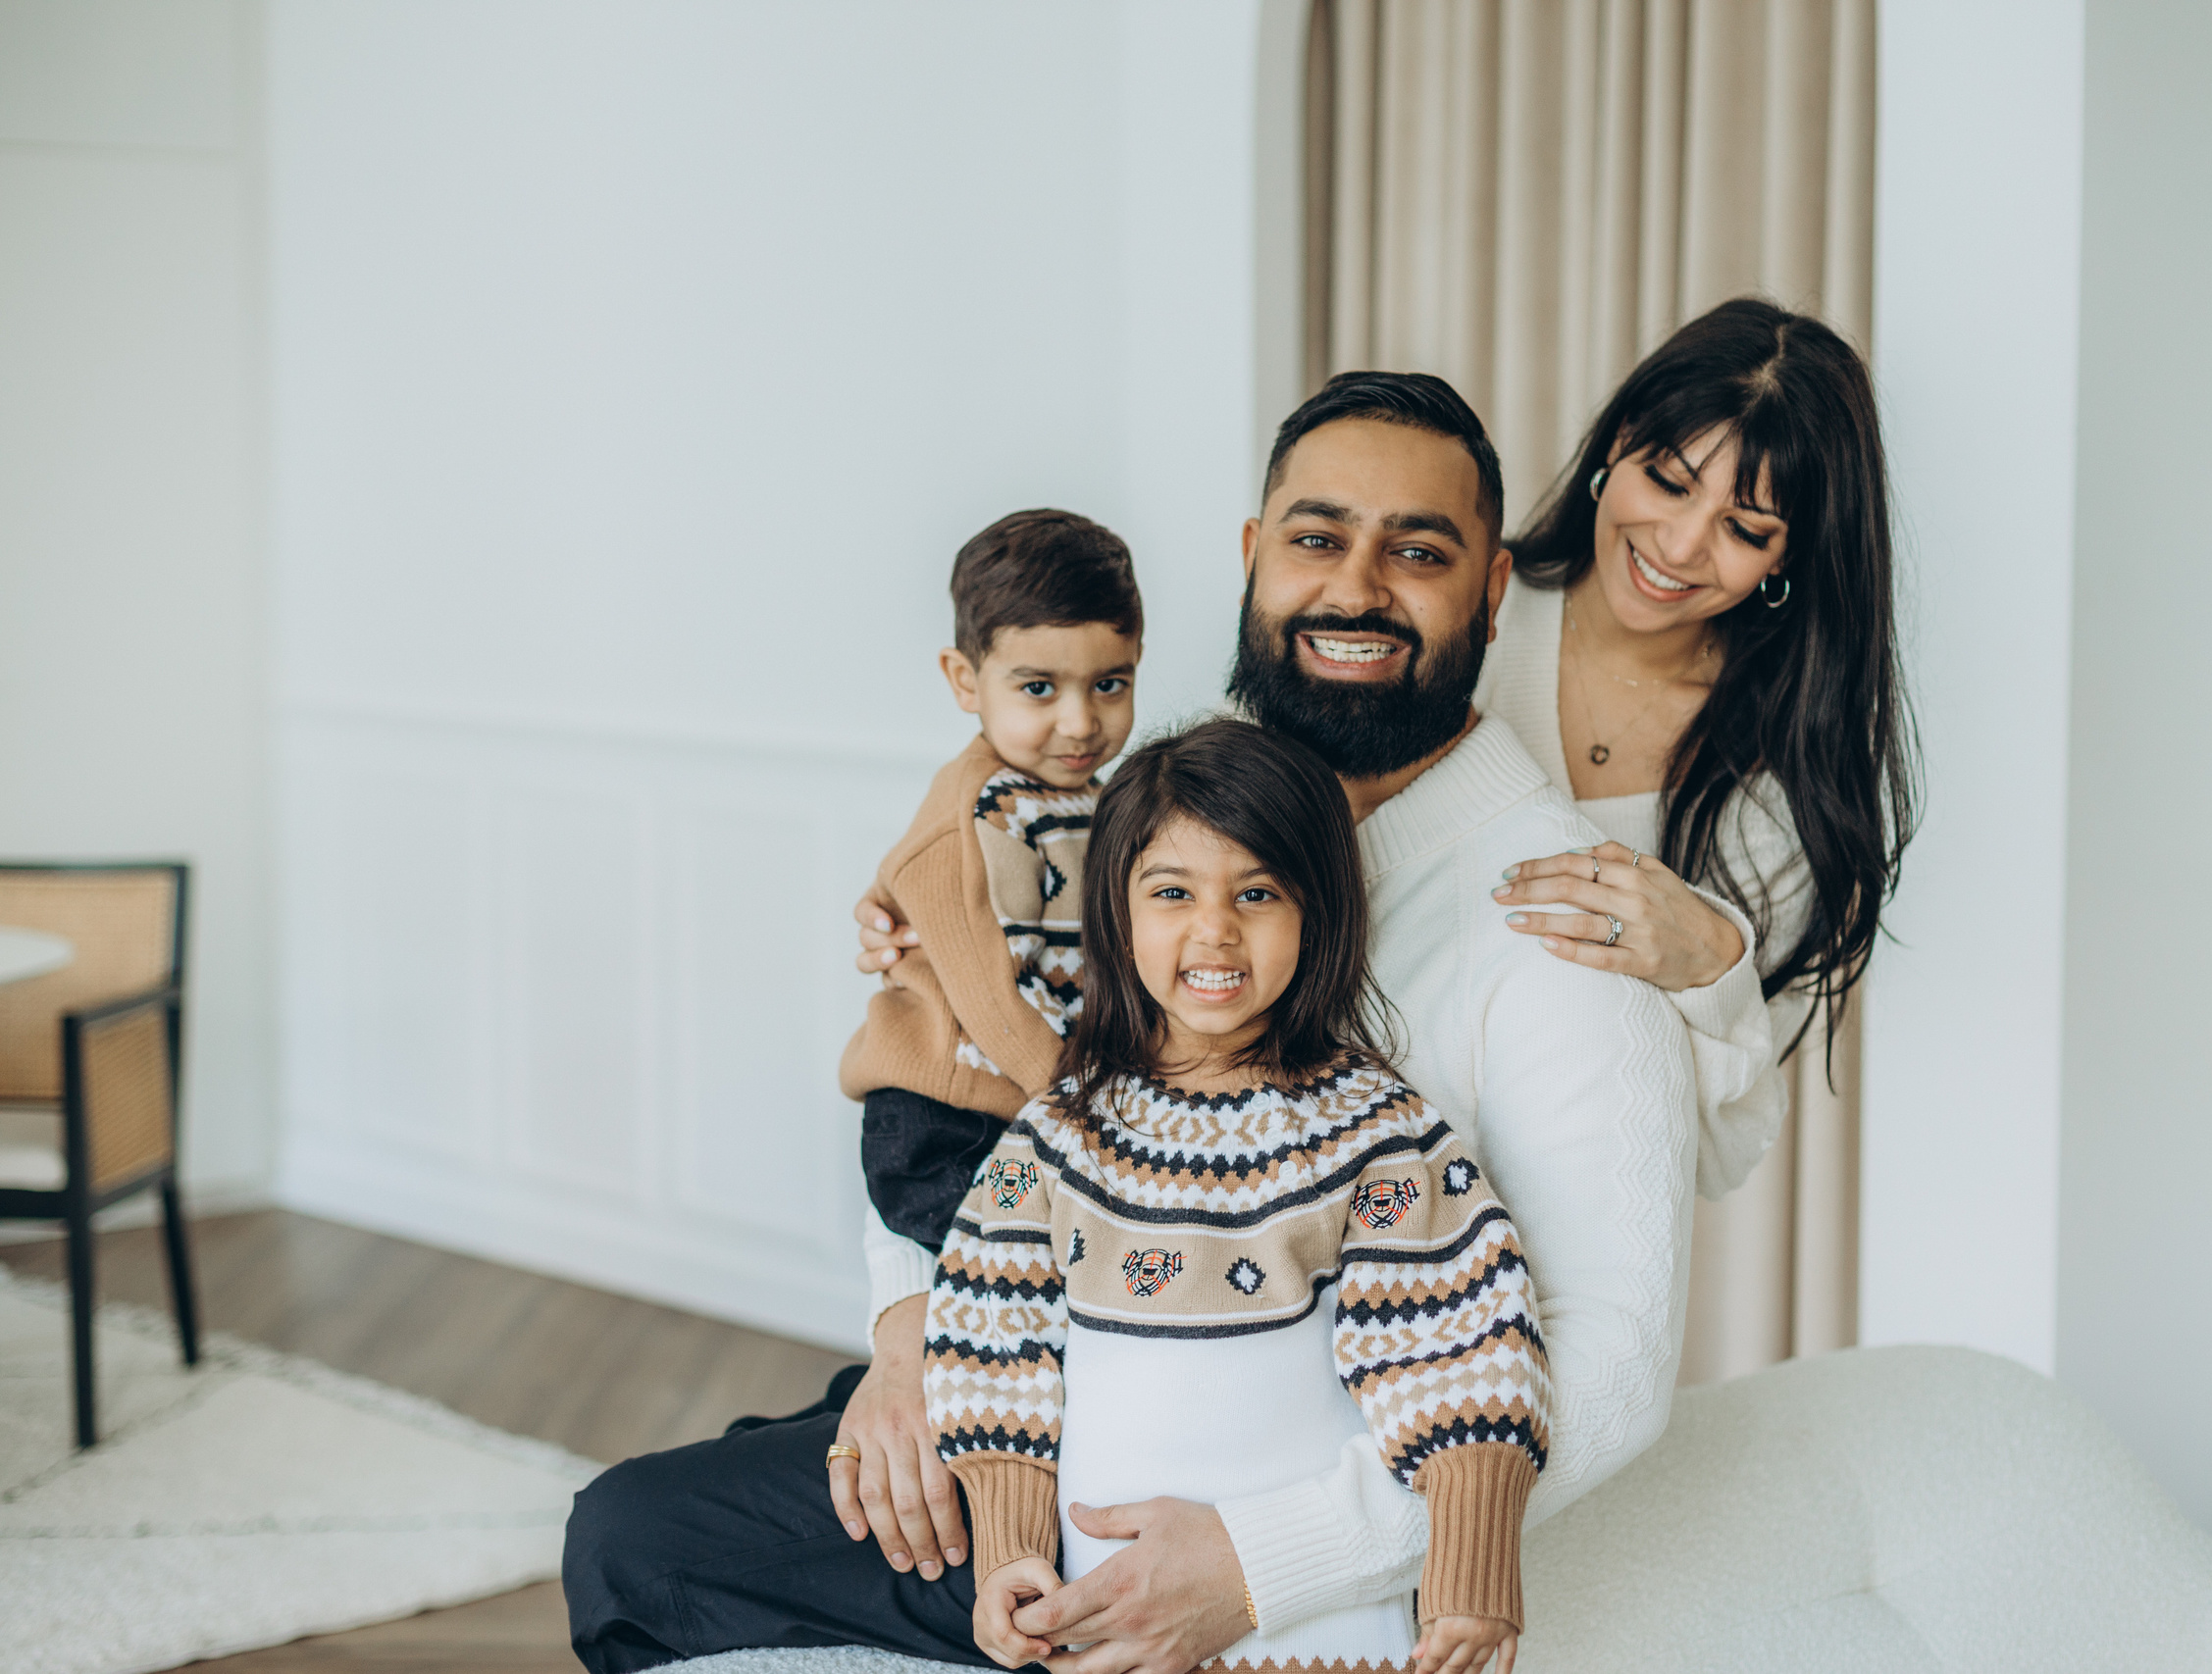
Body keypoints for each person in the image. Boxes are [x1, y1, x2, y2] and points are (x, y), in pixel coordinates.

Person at [564, 373, 1769, 1673]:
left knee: (643, 1542)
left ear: (1489, 592)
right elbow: (971, 1086)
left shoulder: (1565, 925)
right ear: (1255, 558)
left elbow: (1613, 1363)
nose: (1356, 585)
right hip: (1035, 1375)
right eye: (1316, 537)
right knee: (652, 1519)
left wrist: (1259, 1559)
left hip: (1254, 1505)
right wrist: (911, 1331)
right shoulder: (1150, 810)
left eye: (1419, 551)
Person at [931, 718, 1546, 1674]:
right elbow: (991, 1346)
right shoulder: (1060, 1137)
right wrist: (1009, 1548)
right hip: (1105, 1620)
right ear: (1117, 914)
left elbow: (1463, 1355)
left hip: (1322, 1635)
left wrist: (1472, 1574)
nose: (1213, 929)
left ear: (1318, 912)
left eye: (1256, 893)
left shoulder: (1373, 1137)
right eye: (1171, 892)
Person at [1480, 298, 1915, 1227]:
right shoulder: (1462, 619)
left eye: (1745, 528)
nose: (1680, 547)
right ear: (1620, 442)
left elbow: (1717, 1156)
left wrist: (1713, 964)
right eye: (1669, 481)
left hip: (1587, 1242)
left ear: (1787, 560)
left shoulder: (1780, 797)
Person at [839, 509, 1141, 1288]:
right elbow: (996, 994)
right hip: (947, 1116)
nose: (1080, 721)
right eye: (1038, 687)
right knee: (1021, 1294)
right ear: (965, 680)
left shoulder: (1094, 798)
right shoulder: (984, 809)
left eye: (1110, 684)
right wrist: (1089, 1111)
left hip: (1032, 1098)